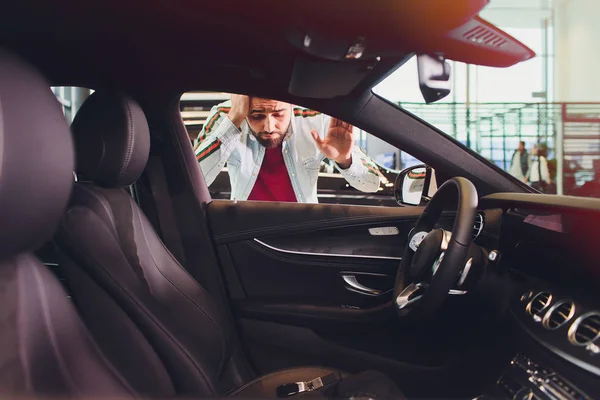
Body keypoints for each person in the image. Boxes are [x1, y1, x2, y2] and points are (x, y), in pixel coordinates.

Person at [193, 94, 381, 203]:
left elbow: (373, 183)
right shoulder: (225, 116)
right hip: (246, 233)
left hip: (301, 233)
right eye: (257, 116)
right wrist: (234, 120)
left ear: (292, 104)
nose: (269, 127)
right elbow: (192, 179)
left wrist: (344, 160)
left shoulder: (318, 120)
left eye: (278, 114)